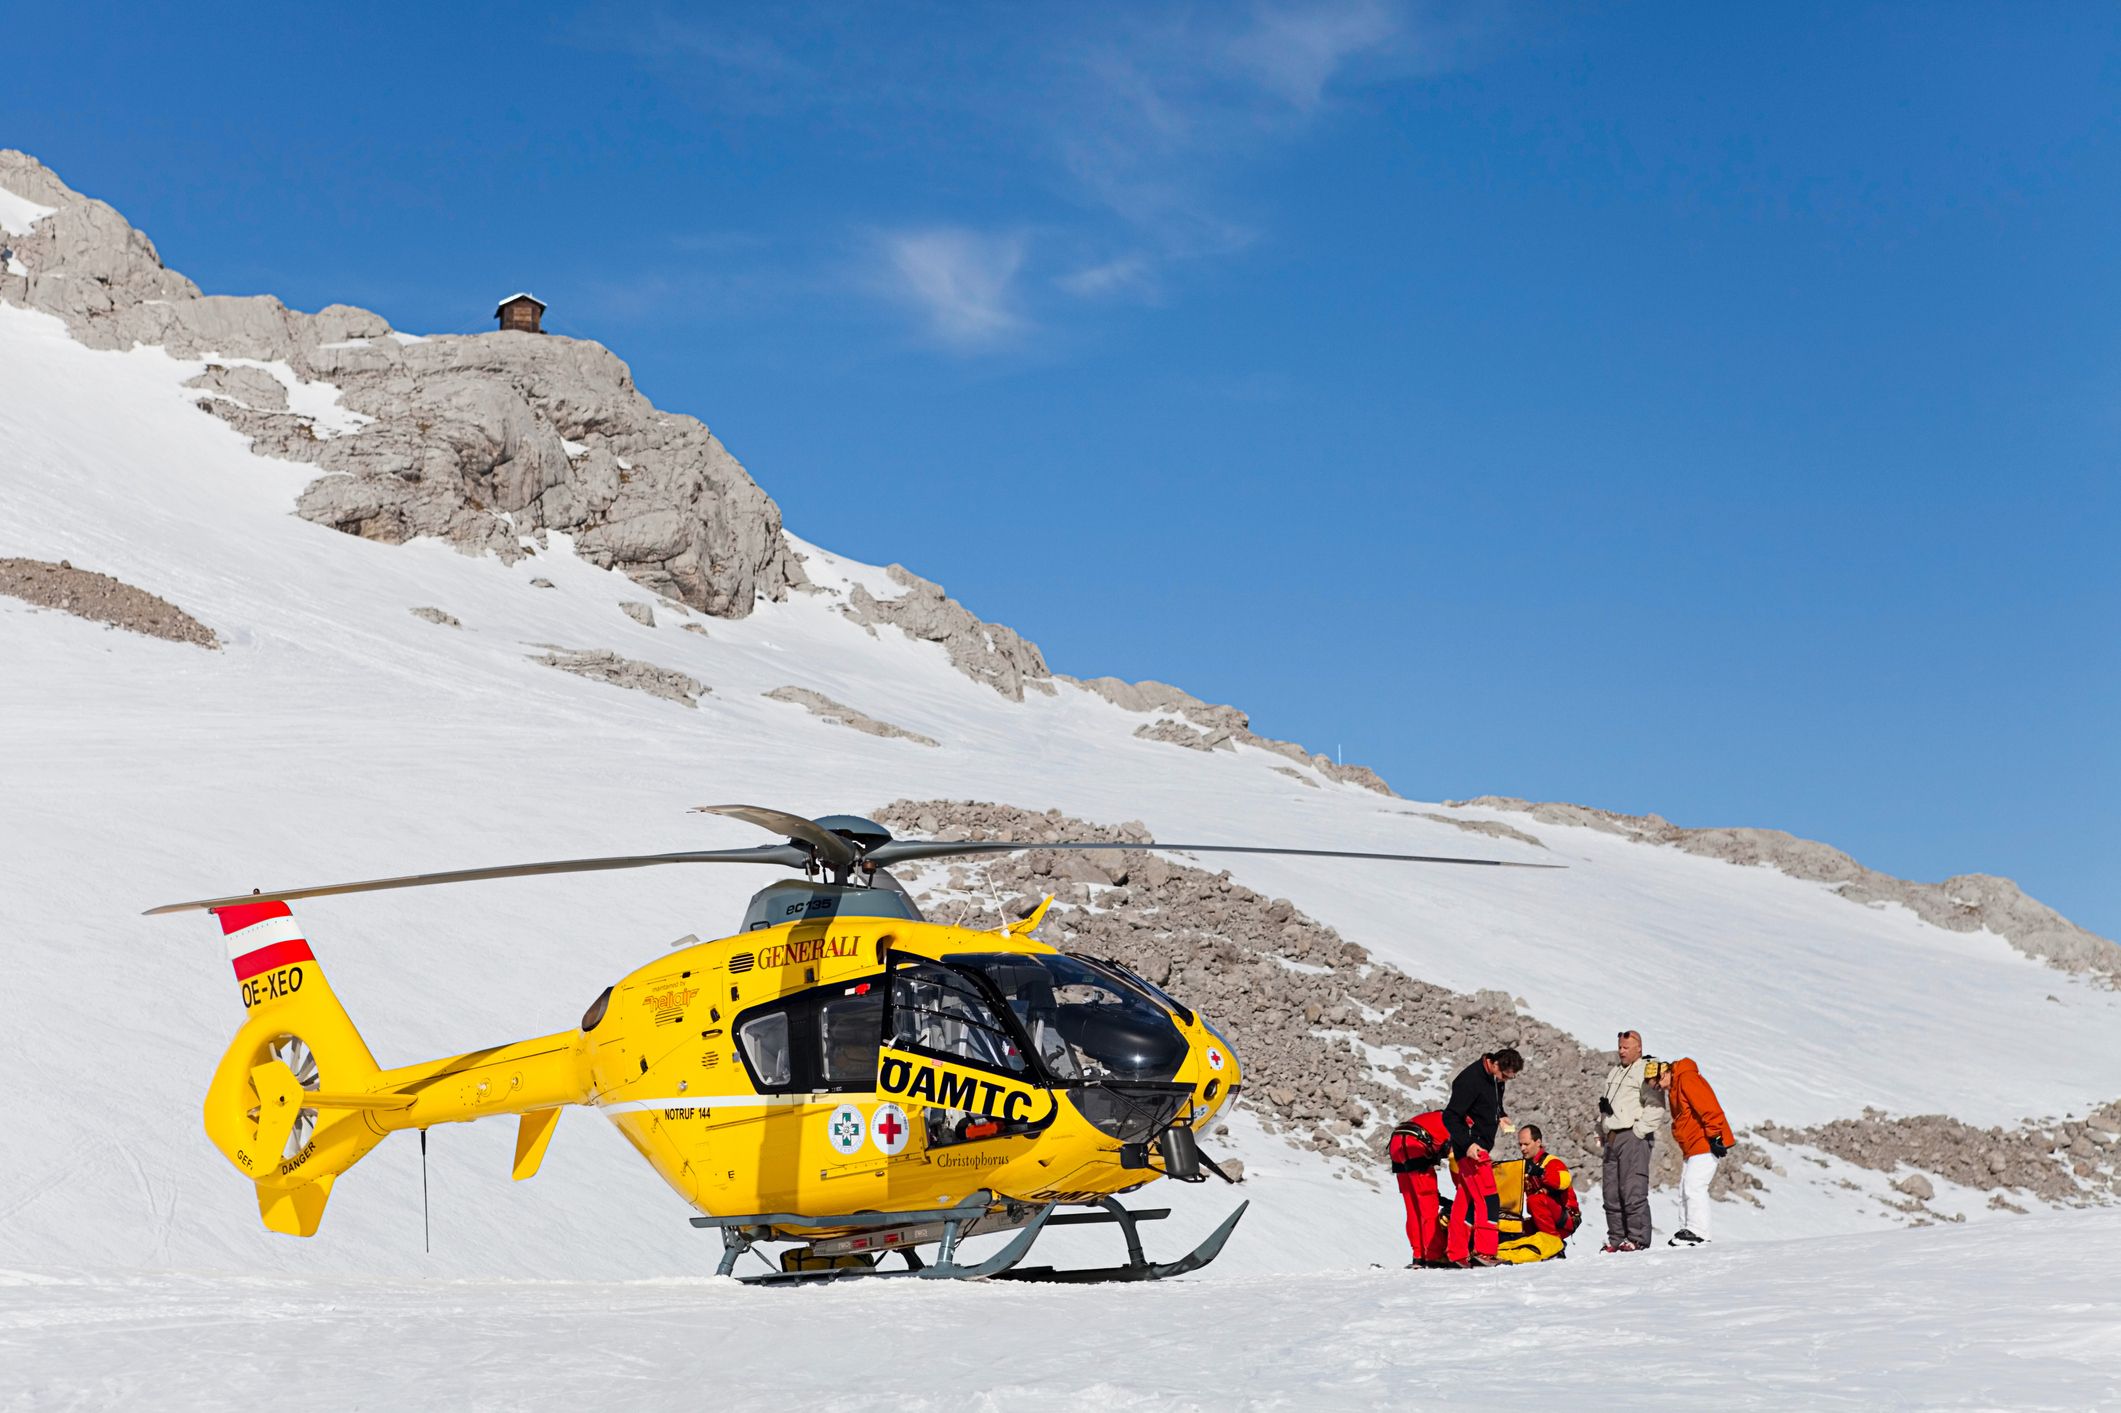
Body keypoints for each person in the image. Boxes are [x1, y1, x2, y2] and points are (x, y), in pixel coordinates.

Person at [1442, 1047, 1524, 1267]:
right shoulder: (1469, 1080)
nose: (1507, 1080)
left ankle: (1456, 1253)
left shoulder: (1495, 1079)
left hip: (1478, 1146)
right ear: (1496, 1064)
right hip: (1473, 1149)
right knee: (1488, 1198)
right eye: (1506, 1075)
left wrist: (1501, 1116)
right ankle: (1485, 1252)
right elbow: (1450, 1116)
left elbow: (1492, 1103)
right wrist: (1468, 1144)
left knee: (1465, 1200)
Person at [1658, 1057, 1735, 1245]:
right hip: (1692, 1146)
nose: (1658, 1088)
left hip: (1705, 1142)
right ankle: (1687, 1229)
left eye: (1657, 1082)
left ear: (1664, 1073)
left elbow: (1708, 1107)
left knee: (1694, 1185)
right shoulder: (1675, 1086)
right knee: (1685, 1187)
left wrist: (1716, 1136)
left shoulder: (1687, 1079)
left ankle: (1698, 1232)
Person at [1598, 1029, 1659, 1252]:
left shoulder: (1646, 1070)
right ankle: (1616, 1238)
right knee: (1611, 1192)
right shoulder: (1615, 1072)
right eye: (1620, 1047)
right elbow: (1607, 1103)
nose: (1621, 1051)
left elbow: (1655, 1105)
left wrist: (1639, 1131)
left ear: (1638, 1048)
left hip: (1632, 1136)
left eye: (1626, 1048)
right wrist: (1600, 1128)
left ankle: (1637, 1238)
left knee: (1632, 1190)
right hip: (1611, 1137)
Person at [1494, 1123, 1580, 1263]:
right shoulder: (1526, 1166)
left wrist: (1541, 1172)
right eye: (1520, 1144)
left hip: (1565, 1219)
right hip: (1542, 1219)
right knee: (1514, 1228)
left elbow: (1564, 1180)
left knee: (1535, 1200)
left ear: (1538, 1142)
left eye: (1526, 1144)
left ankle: (1553, 1246)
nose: (1522, 1148)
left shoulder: (1551, 1162)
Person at [1387, 1110, 1452, 1267]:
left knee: (1413, 1207)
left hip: (1397, 1144)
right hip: (1415, 1145)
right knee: (1428, 1207)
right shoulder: (1463, 1121)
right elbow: (1455, 1154)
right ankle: (1433, 1256)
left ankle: (1418, 1256)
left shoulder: (1442, 1115)